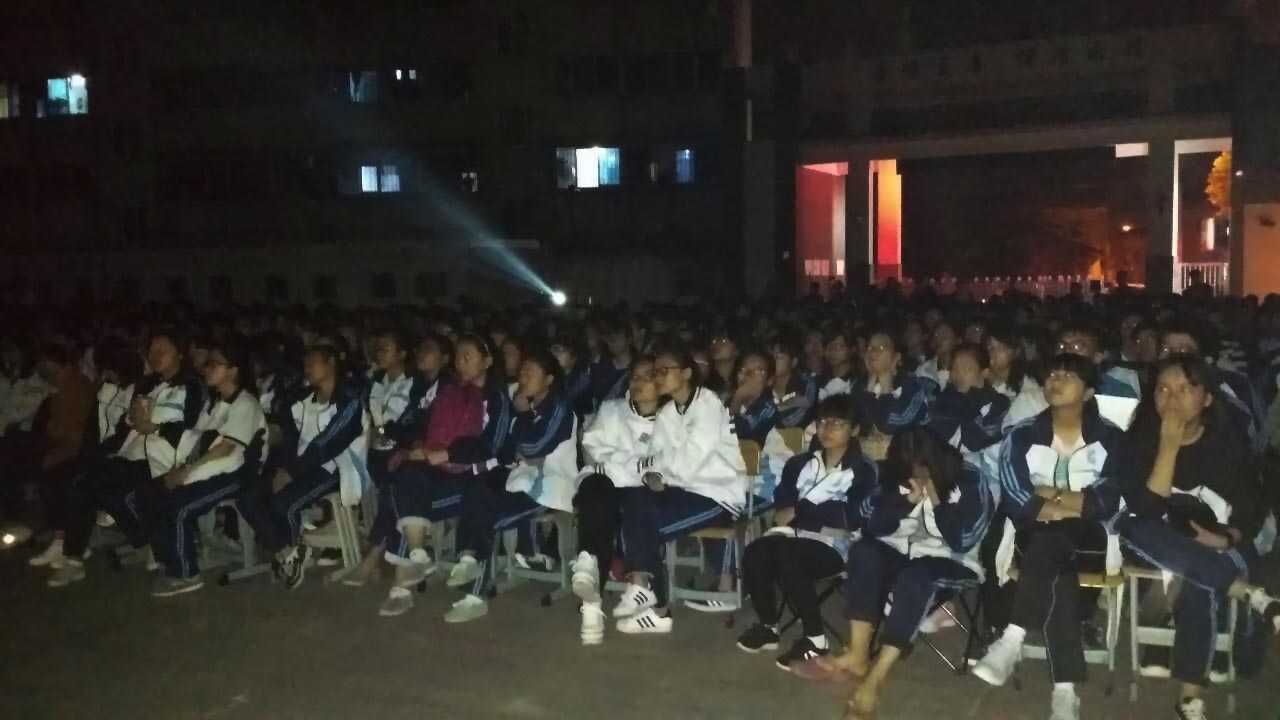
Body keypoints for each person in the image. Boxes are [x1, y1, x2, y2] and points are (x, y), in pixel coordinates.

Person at [1117, 355, 1280, 720]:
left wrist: (1225, 539)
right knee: (1136, 527)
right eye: (1162, 389)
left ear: (1206, 398)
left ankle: (1190, 700)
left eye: (1184, 388)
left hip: (1216, 542)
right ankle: (1249, 594)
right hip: (1159, 543)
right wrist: (1168, 446)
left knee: (1196, 580)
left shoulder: (1224, 445)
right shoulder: (1139, 441)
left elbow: (1251, 506)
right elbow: (1145, 508)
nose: (1171, 399)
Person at [972, 353, 1126, 720]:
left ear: (1088, 392)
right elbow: (1017, 499)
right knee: (1057, 570)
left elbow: (1106, 501)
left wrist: (1048, 496)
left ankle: (1013, 635)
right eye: (1052, 374)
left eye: (1068, 376)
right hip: (1031, 535)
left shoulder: (1112, 438)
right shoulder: (1022, 434)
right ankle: (1064, 692)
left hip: (1092, 541)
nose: (1055, 380)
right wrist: (1071, 502)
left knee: (1051, 543)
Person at [814, 427, 992, 719]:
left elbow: (963, 540)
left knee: (916, 576)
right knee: (864, 552)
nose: (914, 474)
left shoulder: (970, 478)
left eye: (921, 468)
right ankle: (858, 654)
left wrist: (936, 498)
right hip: (900, 550)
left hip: (951, 560)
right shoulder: (895, 474)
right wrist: (904, 502)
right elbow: (873, 525)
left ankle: (876, 678)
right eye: (907, 468)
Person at [51, 328, 206, 588]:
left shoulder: (191, 385)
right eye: (151, 351)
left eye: (163, 350)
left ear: (180, 353)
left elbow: (193, 426)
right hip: (130, 452)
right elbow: (125, 426)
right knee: (79, 483)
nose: (155, 356)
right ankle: (73, 558)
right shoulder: (146, 385)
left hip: (162, 458)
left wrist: (155, 427)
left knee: (120, 493)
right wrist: (108, 445)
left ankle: (154, 540)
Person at [735, 394, 879, 670]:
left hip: (837, 544)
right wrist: (810, 510)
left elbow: (851, 515)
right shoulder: (800, 463)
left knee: (787, 555)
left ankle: (815, 639)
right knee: (756, 551)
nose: (827, 429)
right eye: (823, 422)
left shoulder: (863, 470)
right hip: (792, 536)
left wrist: (801, 511)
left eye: (837, 423)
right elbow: (782, 503)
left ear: (854, 430)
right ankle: (768, 626)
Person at [611, 342, 747, 634]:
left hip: (716, 494)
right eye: (656, 371)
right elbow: (651, 459)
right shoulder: (668, 412)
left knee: (644, 527)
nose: (658, 376)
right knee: (634, 499)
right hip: (683, 490)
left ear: (686, 373)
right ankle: (642, 589)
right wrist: (654, 473)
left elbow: (690, 462)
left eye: (665, 370)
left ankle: (655, 605)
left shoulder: (708, 404)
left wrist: (660, 471)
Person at [443, 347, 576, 623]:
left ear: (549, 380)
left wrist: (523, 419)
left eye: (531, 373)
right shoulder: (520, 403)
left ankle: (475, 595)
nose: (523, 378)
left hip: (549, 486)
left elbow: (533, 445)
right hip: (519, 476)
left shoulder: (559, 410)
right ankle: (468, 559)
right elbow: (506, 449)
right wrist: (521, 436)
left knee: (485, 513)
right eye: (522, 372)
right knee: (476, 486)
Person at [136, 333, 267, 596]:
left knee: (178, 505)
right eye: (208, 364)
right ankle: (169, 559)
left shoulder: (245, 403)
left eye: (215, 364)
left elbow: (226, 449)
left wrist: (186, 473)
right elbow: (197, 440)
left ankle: (186, 573)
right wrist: (181, 468)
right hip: (212, 468)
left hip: (238, 474)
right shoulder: (214, 403)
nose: (207, 368)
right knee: (150, 493)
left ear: (233, 371)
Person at [371, 333, 492, 615]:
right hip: (442, 467)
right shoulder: (451, 392)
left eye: (467, 357)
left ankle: (411, 584)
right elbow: (424, 426)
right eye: (458, 357)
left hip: (476, 473)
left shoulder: (495, 396)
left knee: (406, 494)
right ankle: (417, 556)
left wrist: (441, 454)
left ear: (487, 361)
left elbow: (490, 446)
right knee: (406, 479)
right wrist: (414, 447)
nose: (460, 363)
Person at [236, 344, 368, 590]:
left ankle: (289, 555)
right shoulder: (301, 400)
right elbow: (290, 438)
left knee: (283, 503)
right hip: (299, 465)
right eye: (305, 364)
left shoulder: (348, 400)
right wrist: (283, 468)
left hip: (336, 467)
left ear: (330, 363)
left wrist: (291, 472)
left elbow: (328, 444)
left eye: (313, 362)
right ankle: (288, 553)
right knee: (248, 498)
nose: (307, 368)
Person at [570, 354, 662, 645]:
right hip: (606, 482)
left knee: (621, 499)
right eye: (634, 377)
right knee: (597, 494)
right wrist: (635, 465)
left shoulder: (673, 419)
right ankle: (589, 584)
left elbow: (662, 466)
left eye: (648, 376)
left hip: (640, 491)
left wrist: (622, 463)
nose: (638, 382)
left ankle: (591, 603)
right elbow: (593, 449)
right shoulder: (612, 410)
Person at [852, 327, 929, 461]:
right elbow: (855, 423)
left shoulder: (914, 385)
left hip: (903, 463)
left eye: (881, 347)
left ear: (896, 356)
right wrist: (870, 385)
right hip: (862, 462)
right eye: (870, 348)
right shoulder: (858, 385)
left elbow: (891, 424)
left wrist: (886, 384)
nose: (873, 352)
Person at [925, 342, 1010, 456]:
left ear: (984, 373)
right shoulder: (942, 398)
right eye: (954, 368)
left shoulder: (999, 403)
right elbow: (930, 435)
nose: (958, 374)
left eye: (966, 369)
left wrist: (964, 401)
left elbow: (976, 441)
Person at [986, 324, 1047, 429]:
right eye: (989, 346)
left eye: (1001, 347)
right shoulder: (981, 381)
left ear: (1016, 352)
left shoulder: (1029, 391)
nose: (993, 352)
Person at [770, 333, 818, 429]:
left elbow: (792, 419)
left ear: (793, 362)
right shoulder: (763, 381)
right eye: (771, 356)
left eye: (779, 357)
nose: (772, 360)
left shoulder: (804, 382)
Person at [818, 327, 858, 399]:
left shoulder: (858, 383)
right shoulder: (819, 381)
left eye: (839, 346)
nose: (832, 351)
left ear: (852, 350)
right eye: (829, 346)